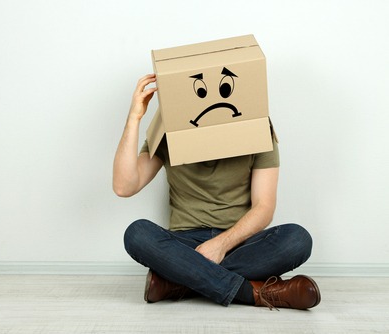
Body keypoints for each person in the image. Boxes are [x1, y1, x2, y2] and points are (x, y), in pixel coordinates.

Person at [112, 74, 321, 310]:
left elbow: (264, 207)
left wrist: (221, 245)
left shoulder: (258, 128)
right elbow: (124, 186)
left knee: (297, 239)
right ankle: (253, 293)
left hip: (238, 242)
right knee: (137, 233)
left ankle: (180, 281)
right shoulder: (169, 128)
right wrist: (134, 117)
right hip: (185, 243)